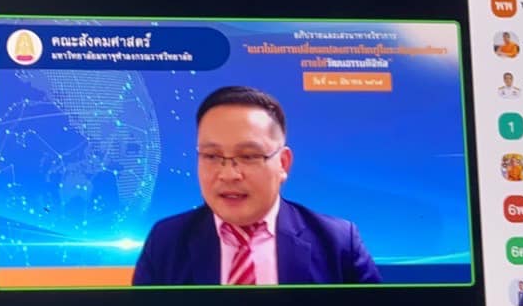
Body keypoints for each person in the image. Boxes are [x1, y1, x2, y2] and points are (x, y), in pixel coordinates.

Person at [133, 86, 380, 286]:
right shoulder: (166, 241)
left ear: (283, 163)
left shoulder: (337, 242)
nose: (228, 174)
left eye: (249, 156)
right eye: (211, 156)